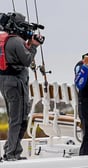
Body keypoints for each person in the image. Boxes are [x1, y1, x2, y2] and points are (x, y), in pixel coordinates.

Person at [0, 12, 41, 161]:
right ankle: (12, 154)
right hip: (16, 83)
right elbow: (27, 60)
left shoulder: (4, 39)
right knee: (18, 119)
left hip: (4, 82)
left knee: (14, 118)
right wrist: (34, 46)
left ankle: (10, 151)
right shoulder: (16, 41)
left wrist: (27, 44)